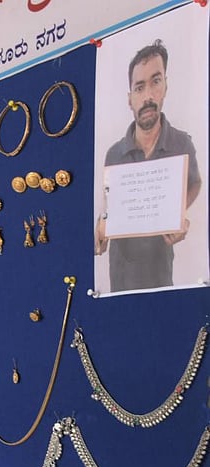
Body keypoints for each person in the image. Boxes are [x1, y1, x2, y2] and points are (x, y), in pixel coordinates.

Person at [95, 39, 202, 292]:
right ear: (130, 98)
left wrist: (178, 212)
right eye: (139, 88)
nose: (148, 96)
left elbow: (195, 181)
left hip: (161, 275)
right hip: (121, 279)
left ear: (166, 85)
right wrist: (101, 230)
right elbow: (107, 208)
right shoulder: (113, 154)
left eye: (155, 81)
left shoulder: (181, 143)